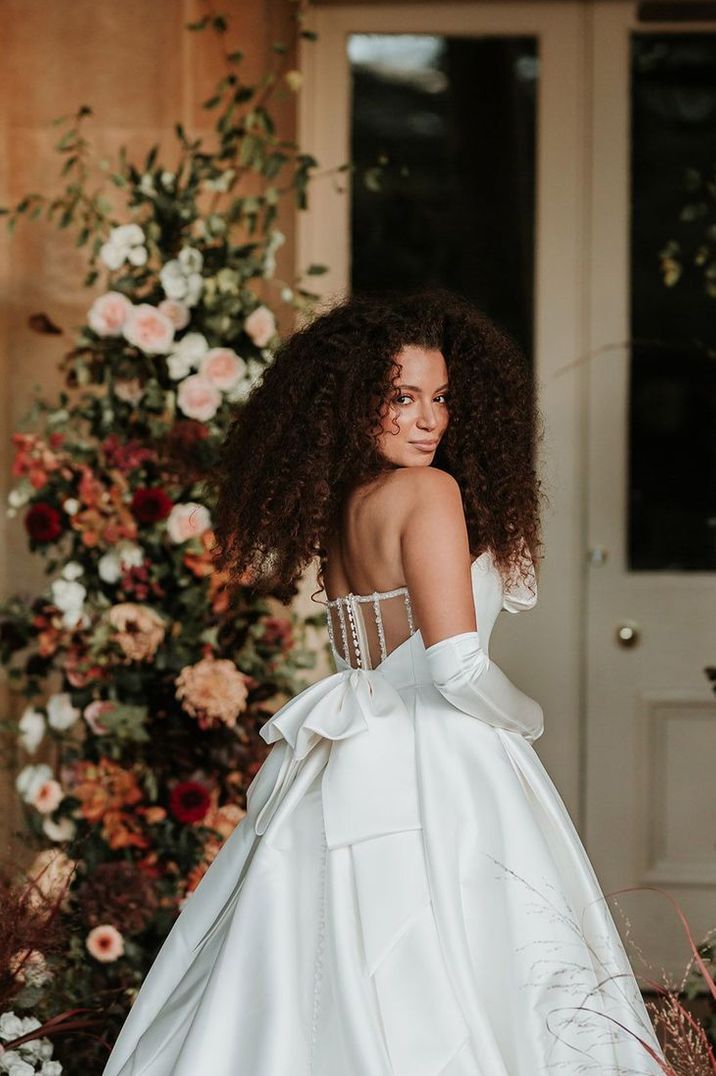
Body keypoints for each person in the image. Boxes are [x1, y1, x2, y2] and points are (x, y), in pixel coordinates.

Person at [101, 289, 667, 1075]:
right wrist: (526, 719)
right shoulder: (428, 494)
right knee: (466, 967)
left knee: (315, 965)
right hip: (444, 762)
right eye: (401, 398)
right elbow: (457, 666)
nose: (428, 420)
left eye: (439, 398)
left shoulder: (341, 506)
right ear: (354, 399)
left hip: (348, 762)